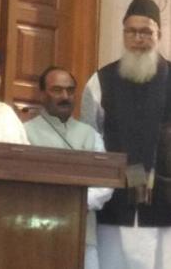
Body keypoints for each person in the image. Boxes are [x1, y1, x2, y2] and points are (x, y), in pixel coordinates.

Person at [81, 0, 171, 269]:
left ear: (158, 34)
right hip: (115, 203)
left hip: (166, 202)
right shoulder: (100, 80)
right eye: (131, 31)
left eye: (146, 32)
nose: (138, 38)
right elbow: (90, 138)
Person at [24, 66, 113, 269]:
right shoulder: (24, 133)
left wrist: (77, 201)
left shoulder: (90, 135)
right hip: (36, 233)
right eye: (57, 90)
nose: (65, 96)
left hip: (83, 233)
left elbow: (105, 182)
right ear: (42, 94)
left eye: (70, 90)